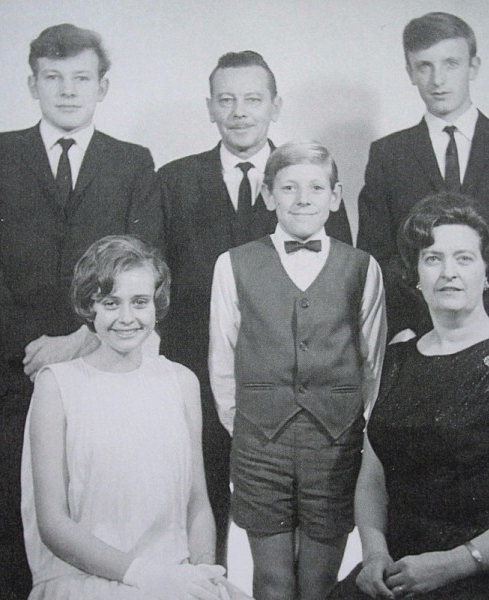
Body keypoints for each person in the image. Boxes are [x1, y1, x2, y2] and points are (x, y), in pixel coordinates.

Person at [0, 24, 159, 599]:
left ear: (103, 86)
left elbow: (148, 266)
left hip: (100, 374)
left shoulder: (132, 162)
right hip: (10, 376)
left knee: (97, 535)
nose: (67, 91)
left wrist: (76, 341)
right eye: (53, 78)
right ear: (32, 84)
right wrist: (36, 347)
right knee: (14, 547)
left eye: (81, 78)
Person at [154, 50, 352, 564]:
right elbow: (156, 279)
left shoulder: (306, 178)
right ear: (210, 108)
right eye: (227, 100)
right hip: (198, 374)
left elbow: (341, 281)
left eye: (253, 99)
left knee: (294, 533)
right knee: (200, 512)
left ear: (275, 105)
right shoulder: (173, 180)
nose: (240, 112)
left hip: (294, 389)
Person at [330, 192, 489, 600]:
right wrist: (373, 553)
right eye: (432, 258)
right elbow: (373, 481)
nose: (449, 272)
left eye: (464, 258)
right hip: (405, 570)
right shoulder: (395, 359)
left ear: (487, 273)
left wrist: (458, 562)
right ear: (415, 275)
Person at [21, 235, 251, 600]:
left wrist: (203, 575)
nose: (126, 318)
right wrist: (145, 577)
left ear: (156, 306)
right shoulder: (57, 385)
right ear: (89, 307)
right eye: (111, 303)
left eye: (140, 302)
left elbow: (197, 504)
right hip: (84, 581)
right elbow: (53, 524)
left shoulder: (181, 382)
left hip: (174, 577)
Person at [209, 141, 386, 600]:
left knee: (318, 582)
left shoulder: (362, 267)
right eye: (288, 187)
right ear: (268, 195)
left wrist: (350, 423)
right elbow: (222, 358)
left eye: (315, 187)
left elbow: (372, 360)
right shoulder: (232, 264)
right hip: (259, 444)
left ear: (335, 195)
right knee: (271, 580)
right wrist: (248, 425)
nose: (302, 198)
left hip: (334, 443)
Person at [357, 12, 489, 343]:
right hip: (419, 341)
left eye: (451, 63)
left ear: (473, 67)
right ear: (410, 72)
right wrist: (406, 329)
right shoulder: (389, 155)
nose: (437, 79)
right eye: (424, 66)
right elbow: (375, 257)